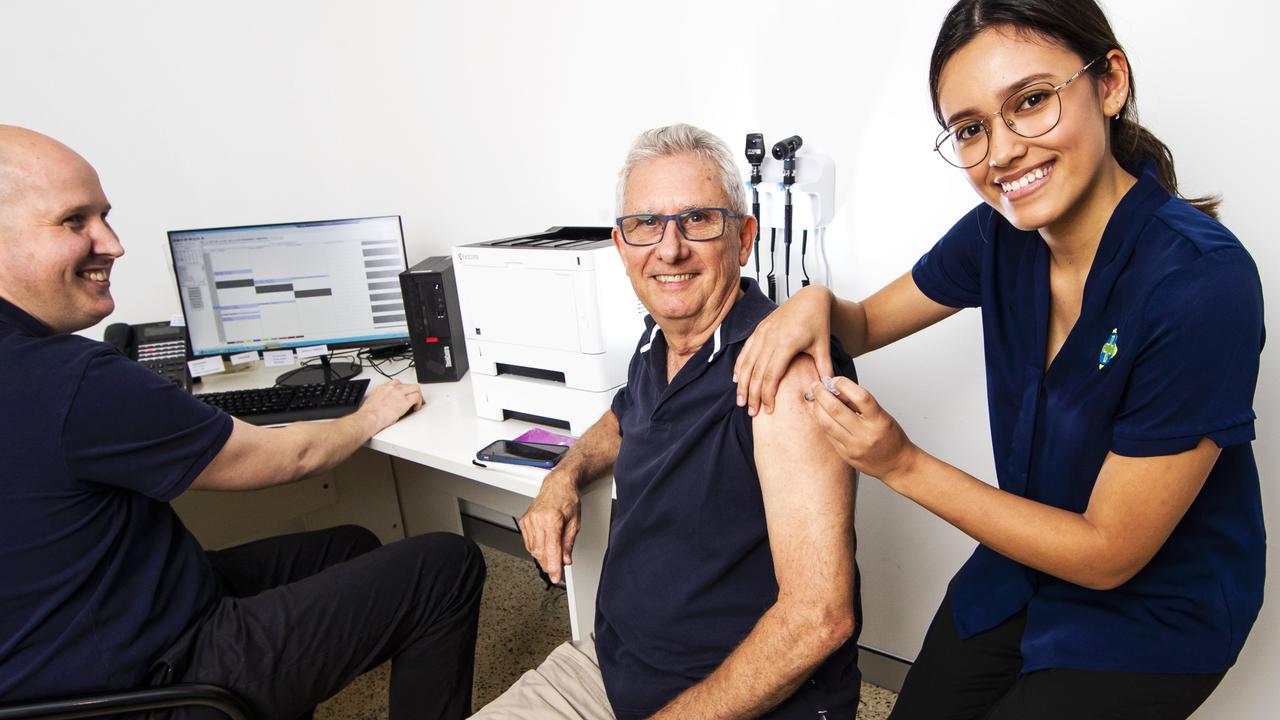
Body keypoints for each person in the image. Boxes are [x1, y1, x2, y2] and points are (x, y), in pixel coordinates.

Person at [733, 1, 1265, 719]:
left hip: (1156, 608)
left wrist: (899, 463)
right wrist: (813, 302)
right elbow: (860, 324)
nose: (1004, 151)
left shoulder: (1201, 284)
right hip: (1023, 563)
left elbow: (1110, 553)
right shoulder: (998, 236)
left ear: (1109, 82)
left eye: (1033, 101)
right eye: (972, 129)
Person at [0, 125, 486, 719]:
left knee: (352, 546)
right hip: (151, 680)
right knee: (444, 566)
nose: (113, 243)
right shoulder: (65, 378)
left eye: (105, 216)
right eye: (75, 221)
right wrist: (369, 414)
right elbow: (287, 458)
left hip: (68, 655)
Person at [473, 124, 862, 719]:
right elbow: (626, 416)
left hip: (727, 698)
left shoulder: (782, 374)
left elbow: (819, 618)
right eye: (645, 224)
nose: (670, 247)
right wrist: (564, 475)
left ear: (744, 238)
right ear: (621, 244)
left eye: (699, 220)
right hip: (611, 669)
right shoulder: (661, 339)